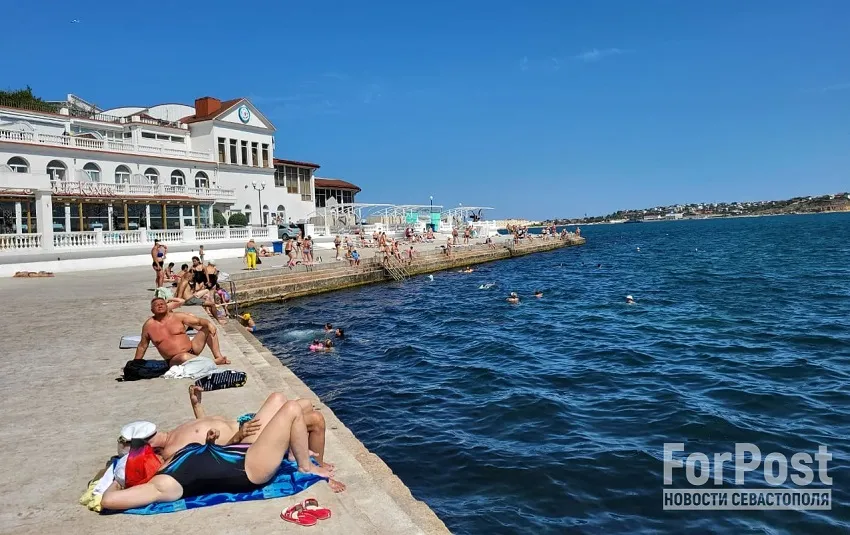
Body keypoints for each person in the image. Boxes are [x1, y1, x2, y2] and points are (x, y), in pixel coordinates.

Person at [100, 397, 339, 511]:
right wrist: (118, 483)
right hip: (250, 467)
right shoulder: (161, 484)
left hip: (243, 450)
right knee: (292, 409)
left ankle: (294, 452)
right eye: (144, 459)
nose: (150, 456)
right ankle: (306, 467)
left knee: (283, 401)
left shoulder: (168, 460)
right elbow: (108, 501)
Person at [135, 297, 231, 366]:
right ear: (152, 310)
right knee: (183, 357)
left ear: (167, 306)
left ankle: (218, 357)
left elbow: (198, 321)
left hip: (192, 349)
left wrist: (208, 323)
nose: (160, 306)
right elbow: (142, 346)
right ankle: (212, 362)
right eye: (156, 305)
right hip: (174, 359)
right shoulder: (149, 325)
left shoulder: (178, 316)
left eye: (162, 304)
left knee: (208, 328)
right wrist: (135, 363)